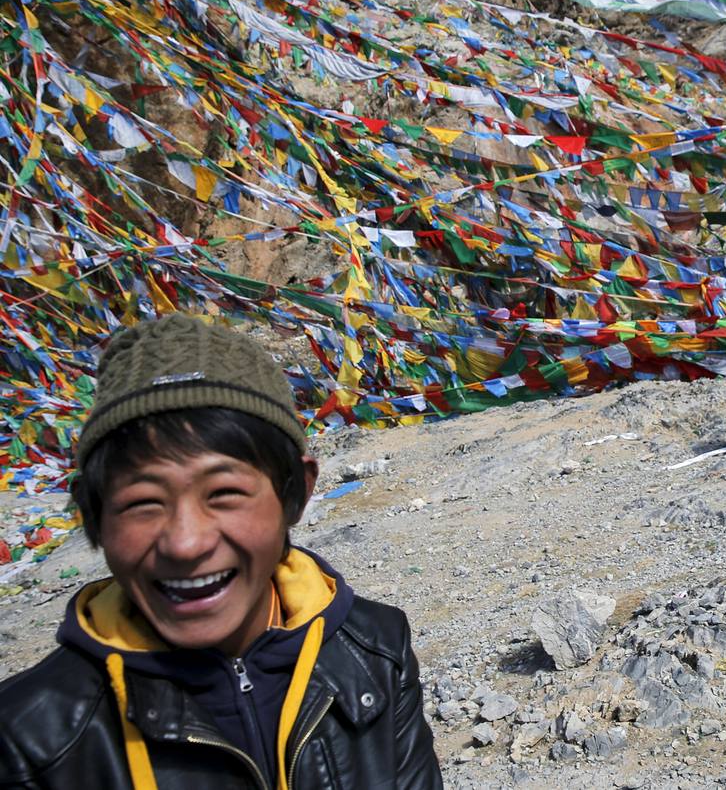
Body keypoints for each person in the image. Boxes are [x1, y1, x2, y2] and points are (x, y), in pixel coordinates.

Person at [0, 314, 442, 789]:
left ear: (295, 494)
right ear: (95, 517)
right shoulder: (28, 740)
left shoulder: (375, 650)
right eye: (143, 503)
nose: (187, 543)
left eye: (224, 494)